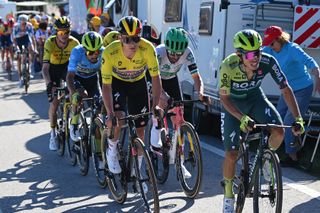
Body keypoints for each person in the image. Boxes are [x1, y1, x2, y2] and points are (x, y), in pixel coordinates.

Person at [219, 29, 304, 213]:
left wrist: (298, 118)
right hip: (233, 103)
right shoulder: (228, 65)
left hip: (255, 98)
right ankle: (228, 195)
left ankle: (266, 157)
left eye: (258, 51)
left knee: (279, 131)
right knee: (231, 154)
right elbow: (224, 99)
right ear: (239, 55)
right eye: (250, 54)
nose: (255, 57)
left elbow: (286, 89)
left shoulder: (267, 61)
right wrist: (241, 118)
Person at [101, 16, 162, 174]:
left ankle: (137, 169)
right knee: (118, 119)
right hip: (117, 83)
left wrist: (155, 105)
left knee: (141, 128)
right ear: (120, 37)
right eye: (128, 39)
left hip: (137, 84)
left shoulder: (148, 49)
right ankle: (112, 150)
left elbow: (155, 78)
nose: (133, 44)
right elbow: (106, 85)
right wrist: (109, 113)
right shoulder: (110, 52)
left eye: (136, 38)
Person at [149, 27, 206, 178]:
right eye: (172, 53)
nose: (175, 57)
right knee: (160, 106)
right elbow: (155, 82)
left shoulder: (187, 52)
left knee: (179, 118)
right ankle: (156, 134)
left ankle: (179, 160)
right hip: (155, 79)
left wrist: (200, 93)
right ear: (167, 47)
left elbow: (196, 78)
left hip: (171, 79)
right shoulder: (159, 53)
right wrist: (163, 96)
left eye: (178, 54)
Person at [262, 25, 320, 166]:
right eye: (268, 43)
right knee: (278, 117)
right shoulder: (270, 49)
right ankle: (276, 149)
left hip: (302, 88)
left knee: (289, 121)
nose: (270, 46)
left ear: (280, 39)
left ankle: (293, 157)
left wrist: (318, 79)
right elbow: (255, 54)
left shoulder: (292, 49)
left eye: (272, 43)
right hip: (287, 90)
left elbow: (311, 63)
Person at [42, 16, 80, 151]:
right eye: (60, 33)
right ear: (56, 32)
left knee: (76, 93)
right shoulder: (50, 43)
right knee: (54, 103)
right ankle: (52, 134)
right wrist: (49, 84)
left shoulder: (74, 42)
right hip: (52, 70)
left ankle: (75, 122)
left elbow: (78, 65)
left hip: (66, 68)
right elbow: (45, 69)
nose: (64, 36)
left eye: (67, 32)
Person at [66, 31, 104, 143]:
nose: (94, 55)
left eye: (97, 51)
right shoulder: (77, 52)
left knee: (99, 106)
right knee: (79, 97)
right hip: (77, 78)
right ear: (84, 50)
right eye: (90, 52)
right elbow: (69, 77)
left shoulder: (104, 52)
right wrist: (73, 92)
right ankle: (74, 124)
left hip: (92, 79)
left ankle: (97, 140)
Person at [12, 14, 36, 86]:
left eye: (24, 23)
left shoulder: (29, 26)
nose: (23, 25)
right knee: (19, 58)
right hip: (18, 40)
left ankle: (30, 66)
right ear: (19, 23)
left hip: (26, 38)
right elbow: (14, 39)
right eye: (21, 23)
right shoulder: (16, 27)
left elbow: (32, 38)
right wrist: (16, 48)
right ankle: (20, 78)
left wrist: (35, 49)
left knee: (31, 49)